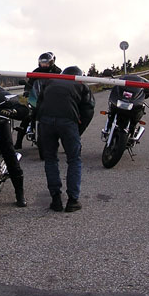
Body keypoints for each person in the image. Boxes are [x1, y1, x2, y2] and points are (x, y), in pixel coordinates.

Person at [36, 66, 95, 212]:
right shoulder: (81, 85)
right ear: (79, 76)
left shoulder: (50, 81)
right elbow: (88, 110)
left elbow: (39, 103)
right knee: (74, 159)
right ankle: (72, 200)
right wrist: (78, 131)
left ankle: (56, 199)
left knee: (50, 159)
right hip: (68, 122)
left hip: (46, 120)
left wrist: (40, 121)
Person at [14, 52, 62, 149]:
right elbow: (30, 83)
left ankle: (66, 143)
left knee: (62, 120)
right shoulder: (35, 72)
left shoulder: (57, 71)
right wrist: (27, 91)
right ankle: (18, 142)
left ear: (51, 62)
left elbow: (62, 83)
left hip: (51, 98)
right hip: (36, 98)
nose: (44, 65)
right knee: (27, 117)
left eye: (46, 63)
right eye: (42, 63)